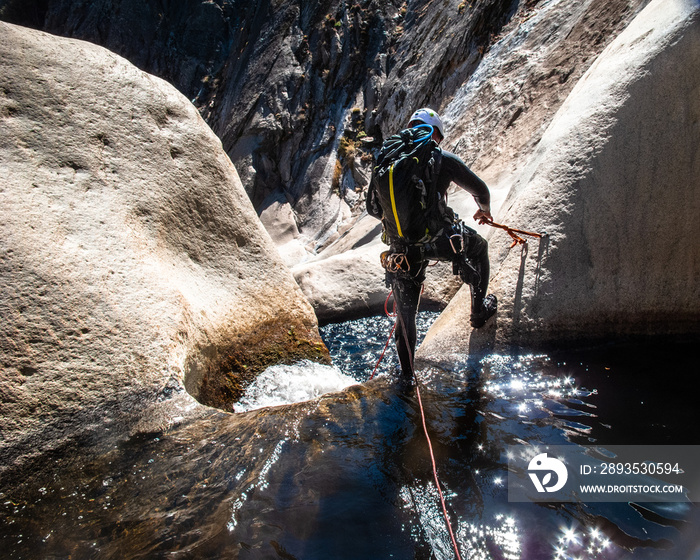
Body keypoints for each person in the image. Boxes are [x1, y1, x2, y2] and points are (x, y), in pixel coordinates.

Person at [366, 107, 497, 378]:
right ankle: (478, 311)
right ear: (435, 132)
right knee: (479, 247)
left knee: (405, 318)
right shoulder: (440, 157)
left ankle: (407, 378)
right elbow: (480, 190)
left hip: (401, 250)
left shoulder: (388, 159)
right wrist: (484, 209)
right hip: (440, 241)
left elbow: (373, 209)